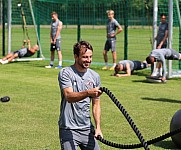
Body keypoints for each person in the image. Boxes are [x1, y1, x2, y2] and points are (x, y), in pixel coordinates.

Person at [58, 41, 103, 150]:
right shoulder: (66, 73)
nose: (88, 60)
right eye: (85, 57)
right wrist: (88, 93)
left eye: (90, 57)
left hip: (87, 129)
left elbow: (96, 105)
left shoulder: (95, 76)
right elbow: (69, 96)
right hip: (68, 129)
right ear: (76, 56)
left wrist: (98, 128)